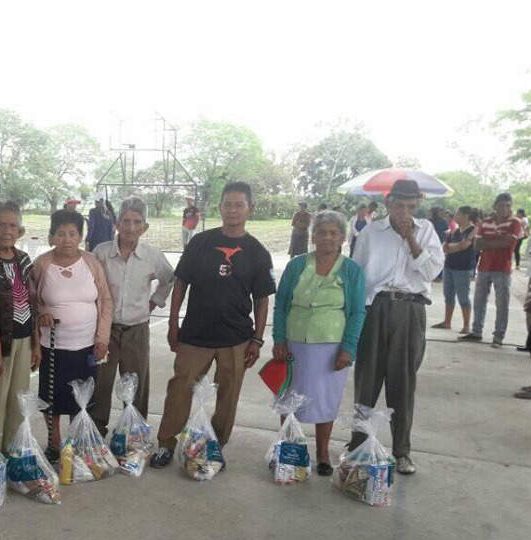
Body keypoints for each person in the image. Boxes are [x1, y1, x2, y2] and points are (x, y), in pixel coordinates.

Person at [150, 181, 276, 468]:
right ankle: (166, 443)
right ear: (219, 207)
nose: (232, 210)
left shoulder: (258, 252)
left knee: (228, 396)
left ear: (250, 209)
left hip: (236, 339)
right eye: (227, 204)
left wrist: (257, 340)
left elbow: (261, 300)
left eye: (239, 205)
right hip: (195, 335)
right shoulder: (200, 243)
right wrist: (173, 323)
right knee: (179, 389)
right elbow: (180, 284)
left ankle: (215, 446)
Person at [349, 179, 444, 475]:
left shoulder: (425, 231)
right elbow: (357, 274)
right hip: (375, 308)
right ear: (388, 203)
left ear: (417, 206)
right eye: (400, 205)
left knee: (403, 382)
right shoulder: (371, 232)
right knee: (367, 379)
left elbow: (431, 272)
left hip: (410, 309)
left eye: (411, 207)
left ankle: (402, 451)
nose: (405, 212)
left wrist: (410, 238)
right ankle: (357, 445)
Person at [272, 211, 367, 475]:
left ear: (342, 238)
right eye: (322, 232)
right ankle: (288, 448)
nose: (327, 237)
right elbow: (281, 303)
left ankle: (322, 453)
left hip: (332, 347)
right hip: (294, 344)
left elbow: (358, 312)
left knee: (326, 399)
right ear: (313, 236)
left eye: (333, 233)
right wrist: (279, 339)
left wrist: (349, 347)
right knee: (289, 397)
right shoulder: (296, 265)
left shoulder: (352, 270)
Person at [91, 196, 175, 435]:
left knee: (136, 383)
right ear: (117, 224)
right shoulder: (101, 253)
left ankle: (135, 433)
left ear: (145, 227)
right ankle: (95, 431)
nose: (131, 227)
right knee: (100, 382)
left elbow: (170, 278)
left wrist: (154, 301)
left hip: (136, 331)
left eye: (137, 222)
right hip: (105, 331)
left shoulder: (152, 255)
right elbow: (89, 283)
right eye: (126, 221)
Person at [32, 209, 112, 459]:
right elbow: (31, 301)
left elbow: (106, 301)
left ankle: (76, 443)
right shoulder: (41, 264)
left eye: (72, 233)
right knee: (52, 399)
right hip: (52, 346)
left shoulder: (91, 262)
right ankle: (54, 444)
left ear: (80, 236)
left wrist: (102, 339)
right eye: (60, 233)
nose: (66, 239)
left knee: (81, 400)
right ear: (52, 236)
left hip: (87, 346)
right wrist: (41, 314)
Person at [0, 200, 41, 452]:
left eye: (13, 226)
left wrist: (36, 343)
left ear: (20, 231)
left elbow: (33, 303)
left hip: (23, 339)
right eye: (1, 225)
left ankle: (12, 454)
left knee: (18, 402)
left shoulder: (24, 260)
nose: (7, 231)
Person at [460, 193, 522, 348]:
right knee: (479, 301)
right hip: (484, 267)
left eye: (508, 206)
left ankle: (498, 335)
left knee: (502, 303)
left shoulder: (515, 222)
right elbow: (477, 245)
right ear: (495, 206)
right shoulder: (486, 222)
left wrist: (487, 243)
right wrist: (497, 241)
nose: (505, 209)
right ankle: (477, 332)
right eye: (502, 205)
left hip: (502, 268)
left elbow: (508, 243)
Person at [432, 206, 475, 333]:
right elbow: (445, 247)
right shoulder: (455, 231)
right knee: (448, 295)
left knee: (463, 297)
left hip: (463, 268)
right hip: (449, 265)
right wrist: (455, 247)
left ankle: (466, 325)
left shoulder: (473, 230)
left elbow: (464, 246)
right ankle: (447, 322)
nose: (455, 217)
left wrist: (452, 247)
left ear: (466, 216)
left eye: (458, 214)